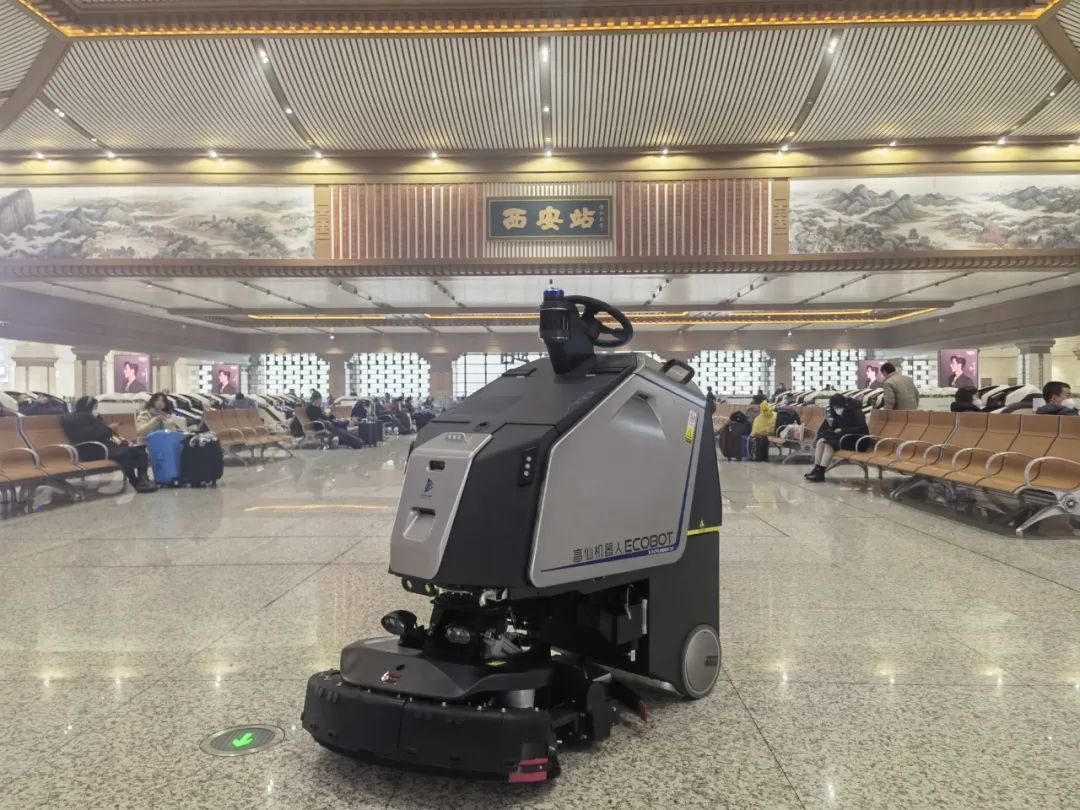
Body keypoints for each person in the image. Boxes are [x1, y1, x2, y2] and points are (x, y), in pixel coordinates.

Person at [62, 396, 158, 493]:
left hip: (100, 448)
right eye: (95, 407)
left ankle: (143, 480)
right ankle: (136, 482)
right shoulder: (83, 418)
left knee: (139, 451)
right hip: (94, 450)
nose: (96, 409)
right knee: (126, 454)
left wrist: (106, 427)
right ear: (88, 406)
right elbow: (93, 434)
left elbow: (96, 431)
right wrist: (110, 429)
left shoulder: (83, 418)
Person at [805, 394, 869, 483]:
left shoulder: (856, 412)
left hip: (857, 441)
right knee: (821, 442)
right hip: (844, 439)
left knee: (829, 445)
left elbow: (862, 428)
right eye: (834, 407)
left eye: (838, 407)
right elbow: (833, 429)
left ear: (844, 404)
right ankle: (817, 469)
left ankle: (821, 473)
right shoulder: (836, 414)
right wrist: (824, 435)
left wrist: (843, 430)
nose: (837, 409)